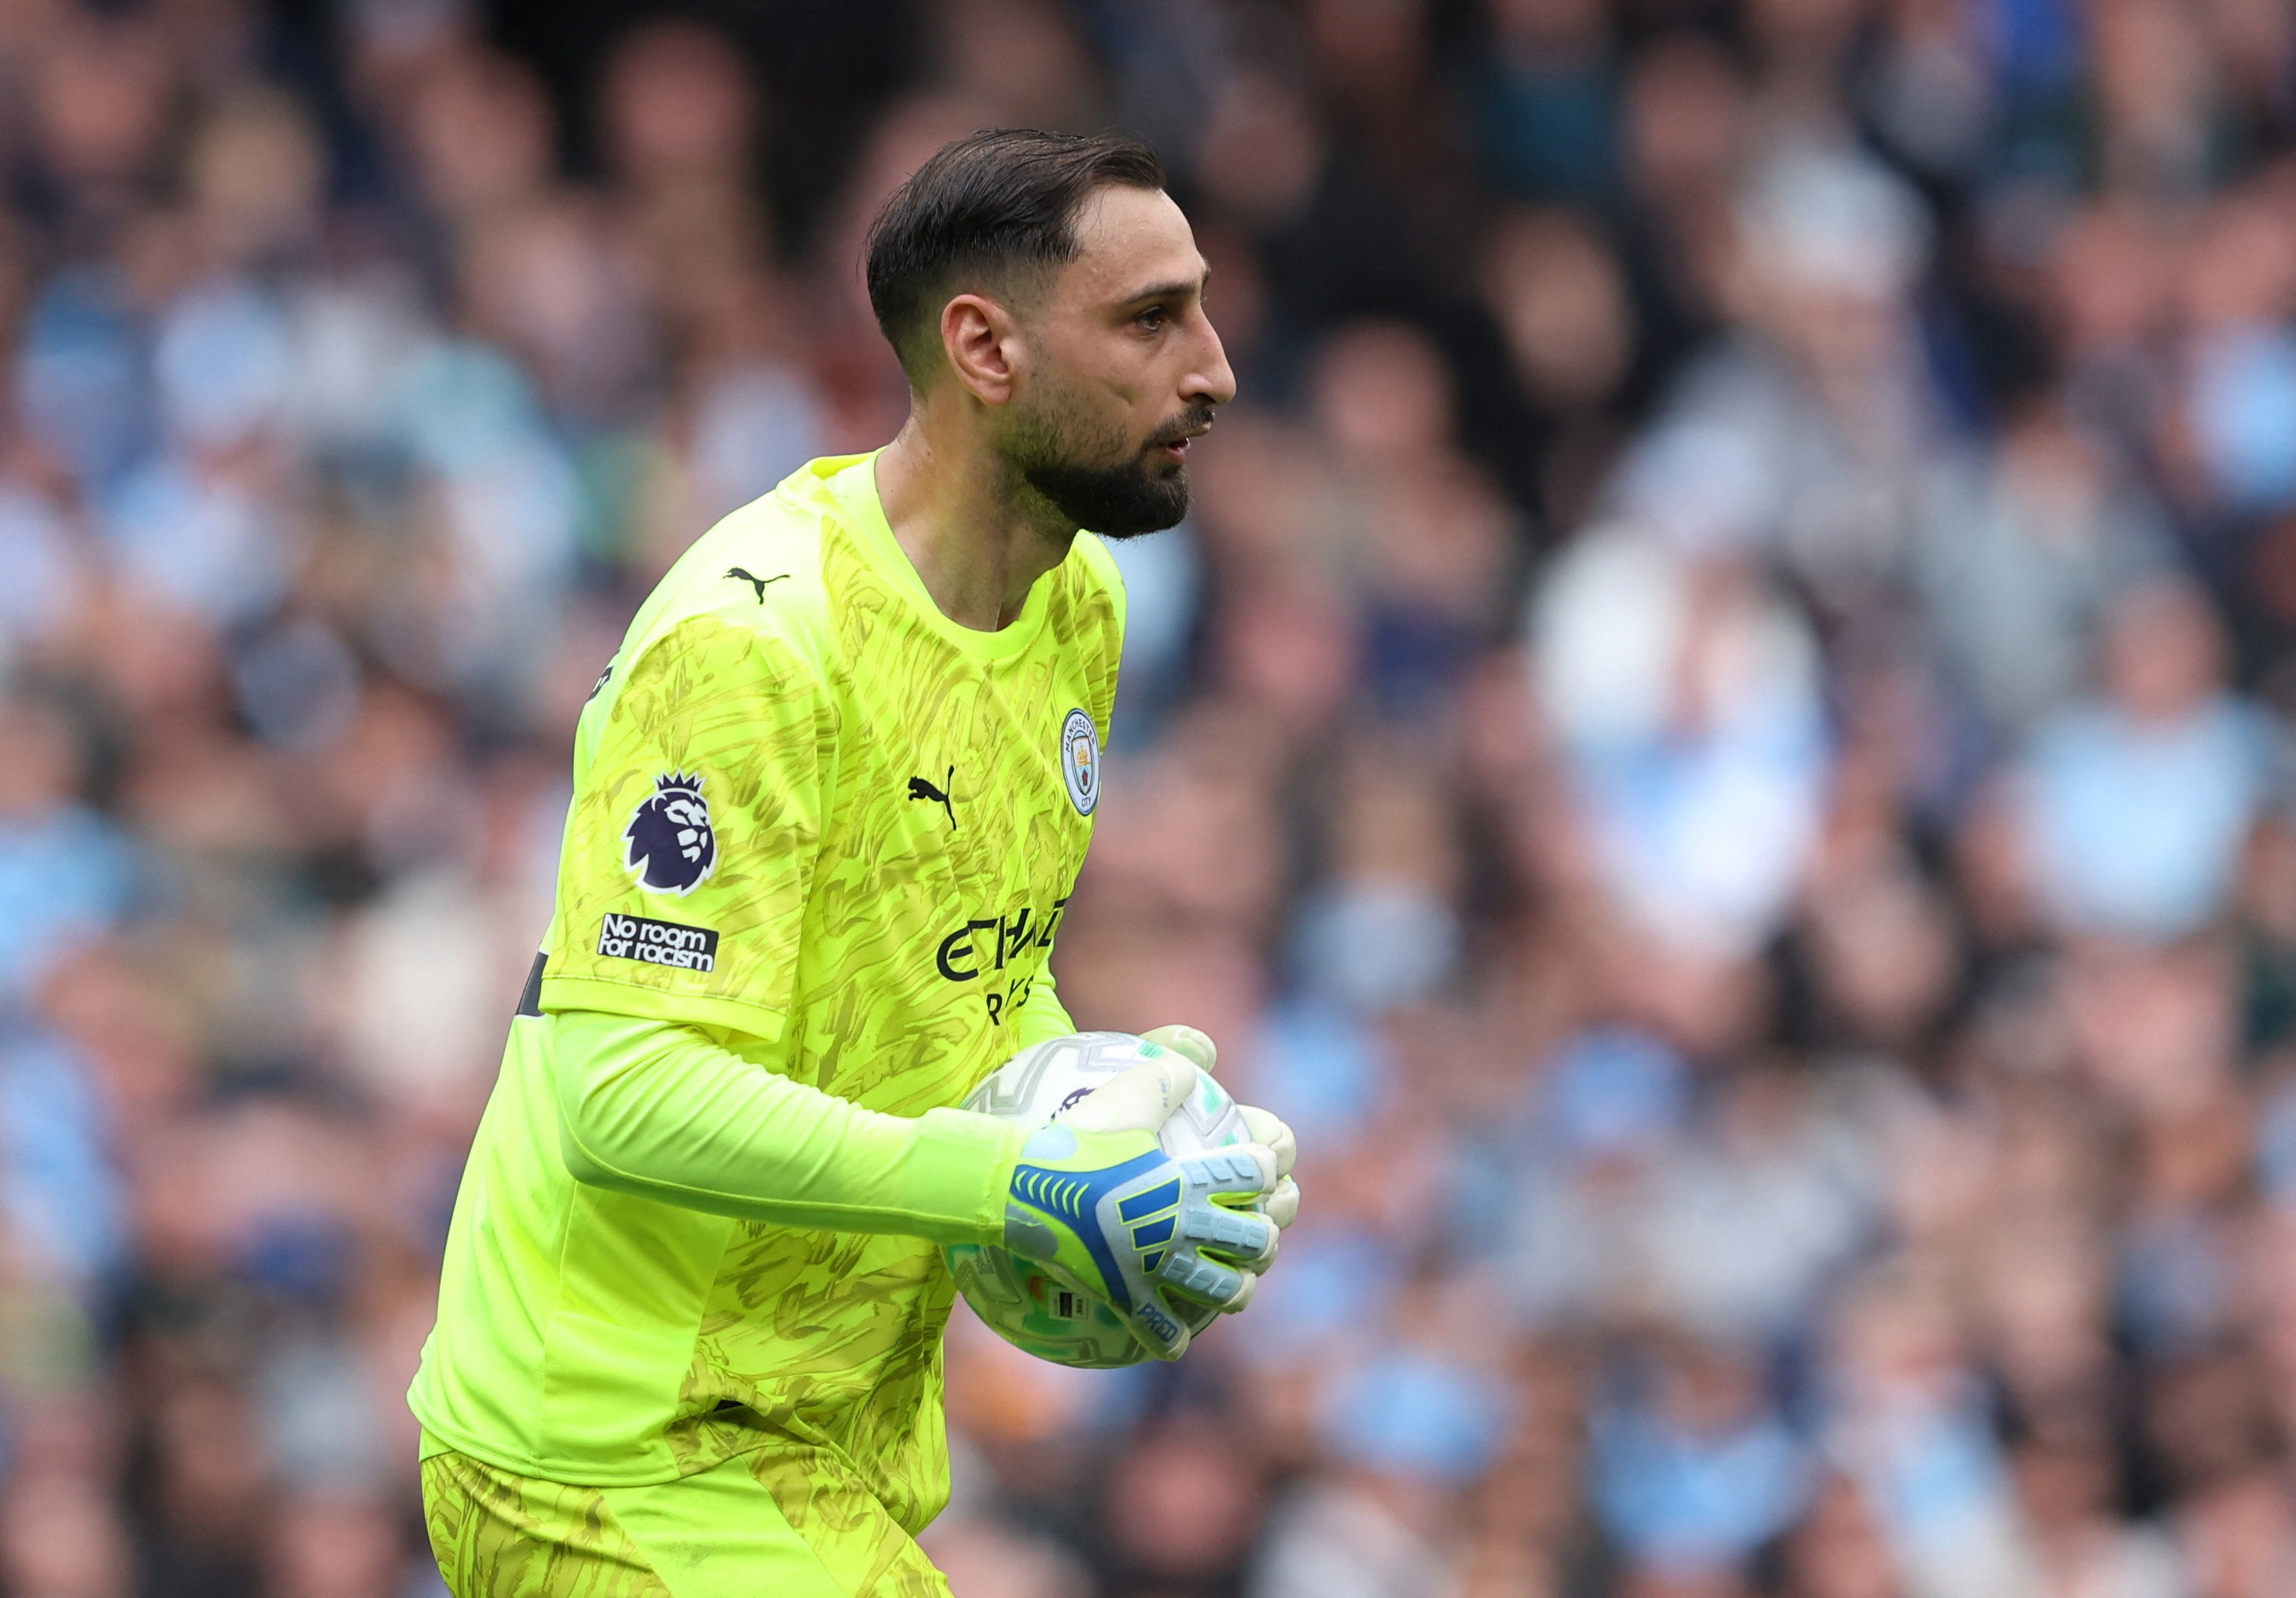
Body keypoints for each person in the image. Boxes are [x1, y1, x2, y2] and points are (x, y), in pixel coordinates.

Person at [408, 129, 1298, 1596]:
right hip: (608, 1448)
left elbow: (967, 980)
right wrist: (1007, 1177)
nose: (1214, 369)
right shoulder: (754, 644)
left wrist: (1121, 1121)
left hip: (817, 1447)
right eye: (1152, 319)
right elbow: (620, 1089)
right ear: (985, 349)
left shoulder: (1078, 603)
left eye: (1199, 309)